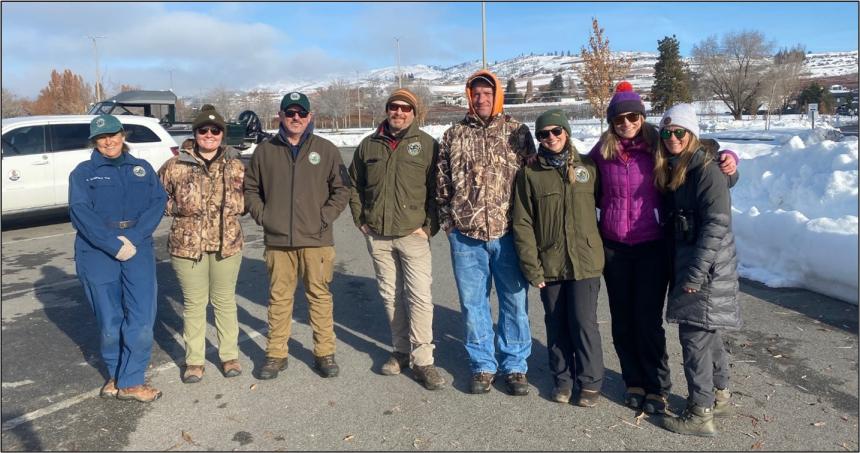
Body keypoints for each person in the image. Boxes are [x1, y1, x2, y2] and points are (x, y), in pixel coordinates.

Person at [587, 81, 738, 414]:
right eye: (619, 118)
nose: (626, 123)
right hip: (614, 247)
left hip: (652, 246)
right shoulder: (602, 151)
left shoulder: (658, 144)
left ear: (642, 117)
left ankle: (656, 385)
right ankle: (633, 381)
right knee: (622, 319)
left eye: (633, 116)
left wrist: (727, 156)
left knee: (647, 319)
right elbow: (579, 171)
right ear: (611, 121)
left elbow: (696, 151)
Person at [436, 70, 536, 396]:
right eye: (476, 94)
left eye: (487, 94)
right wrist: (450, 226)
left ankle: (515, 365)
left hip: (508, 234)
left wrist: (528, 226)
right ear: (469, 96)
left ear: (498, 96)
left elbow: (533, 180)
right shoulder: (453, 135)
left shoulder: (517, 132)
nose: (481, 99)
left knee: (514, 301)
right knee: (473, 304)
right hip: (466, 236)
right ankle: (482, 365)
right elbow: (441, 185)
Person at [244, 91, 350, 380]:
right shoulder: (266, 151)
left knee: (319, 297)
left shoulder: (326, 150)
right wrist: (264, 216)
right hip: (278, 241)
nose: (295, 118)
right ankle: (276, 354)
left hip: (316, 240)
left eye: (301, 113)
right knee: (279, 298)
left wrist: (324, 216)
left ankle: (324, 353)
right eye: (289, 113)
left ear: (309, 116)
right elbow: (251, 188)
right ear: (280, 116)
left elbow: (342, 189)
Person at [654, 103, 741, 437]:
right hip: (697, 263)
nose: (672, 138)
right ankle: (719, 395)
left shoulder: (705, 169)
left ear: (691, 134)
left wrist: (694, 272)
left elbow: (716, 224)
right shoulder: (682, 166)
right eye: (666, 132)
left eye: (679, 132)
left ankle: (700, 412)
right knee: (708, 331)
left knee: (694, 338)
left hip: (705, 268)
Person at [347, 88, 444, 390]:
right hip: (378, 235)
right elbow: (353, 185)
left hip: (412, 234)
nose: (399, 112)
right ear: (387, 110)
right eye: (394, 107)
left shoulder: (427, 146)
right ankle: (401, 351)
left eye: (405, 108)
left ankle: (424, 360)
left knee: (419, 297)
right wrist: (361, 220)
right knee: (390, 295)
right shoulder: (368, 145)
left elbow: (437, 190)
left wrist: (429, 227)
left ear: (414, 114)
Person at [69, 114, 167, 402]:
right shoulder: (83, 172)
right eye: (101, 137)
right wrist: (111, 244)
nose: (108, 141)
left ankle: (131, 381)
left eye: (113, 134)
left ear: (123, 135)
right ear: (95, 141)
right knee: (109, 320)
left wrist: (133, 238)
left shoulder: (142, 168)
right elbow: (80, 211)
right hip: (97, 250)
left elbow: (157, 202)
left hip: (137, 245)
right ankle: (116, 375)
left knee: (141, 316)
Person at [511, 110, 605, 407]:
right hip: (549, 262)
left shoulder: (588, 167)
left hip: (586, 260)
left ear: (566, 132)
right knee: (556, 322)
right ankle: (562, 379)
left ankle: (589, 381)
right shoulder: (530, 174)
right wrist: (531, 266)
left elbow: (609, 202)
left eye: (556, 132)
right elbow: (523, 222)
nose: (550, 138)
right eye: (543, 134)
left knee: (584, 322)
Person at [158, 106, 246, 383]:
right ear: (195, 133)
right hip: (187, 246)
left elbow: (252, 195)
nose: (209, 135)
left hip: (226, 244)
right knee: (195, 303)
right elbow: (156, 197)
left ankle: (229, 356)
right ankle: (194, 361)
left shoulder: (236, 163)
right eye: (203, 130)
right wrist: (176, 207)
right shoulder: (175, 165)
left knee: (224, 301)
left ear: (223, 134)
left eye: (215, 130)